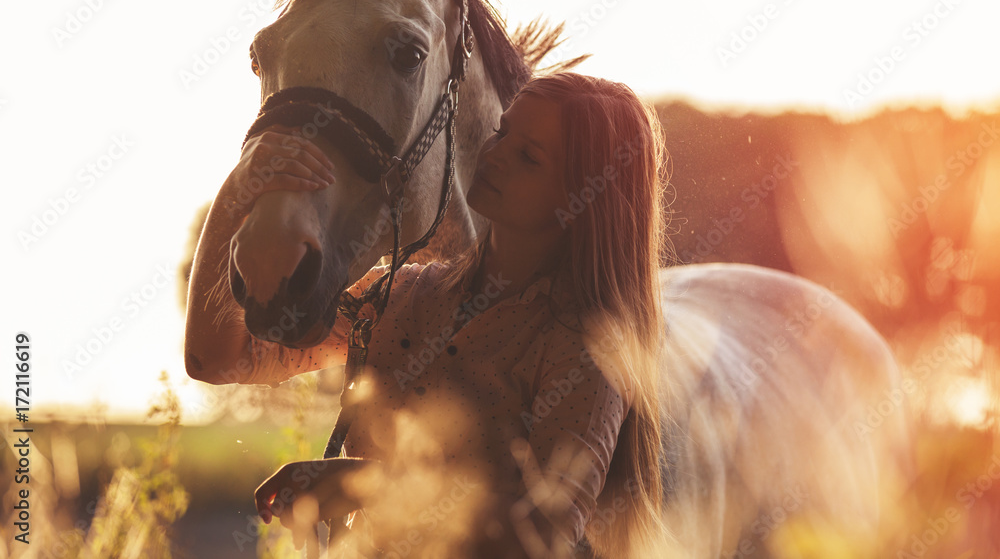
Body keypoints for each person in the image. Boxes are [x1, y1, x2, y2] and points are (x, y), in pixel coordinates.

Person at [188, 72, 672, 557]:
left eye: (528, 156)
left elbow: (545, 533)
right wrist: (238, 191)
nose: (495, 153)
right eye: (503, 132)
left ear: (584, 195)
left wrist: (368, 482)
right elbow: (217, 358)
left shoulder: (590, 347)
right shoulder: (403, 292)